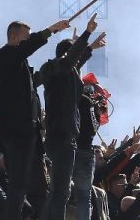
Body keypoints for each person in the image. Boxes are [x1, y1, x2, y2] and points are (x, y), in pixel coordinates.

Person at [0, 16, 69, 220]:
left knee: (37, 185)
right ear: (15, 37)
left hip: (30, 133)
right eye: (27, 37)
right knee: (18, 184)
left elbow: (30, 86)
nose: (30, 41)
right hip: (17, 133)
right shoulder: (5, 55)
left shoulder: (19, 63)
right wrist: (50, 30)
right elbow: (29, 47)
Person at [40, 13, 100, 220]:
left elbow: (75, 61)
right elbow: (71, 60)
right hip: (61, 136)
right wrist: (86, 34)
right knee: (61, 192)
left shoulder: (64, 74)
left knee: (59, 190)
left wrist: (89, 47)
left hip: (64, 137)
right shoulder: (58, 68)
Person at [72, 30, 107, 220]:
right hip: (87, 152)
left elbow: (73, 74)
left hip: (74, 150)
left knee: (63, 193)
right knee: (84, 197)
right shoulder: (95, 108)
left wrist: (78, 46)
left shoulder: (82, 101)